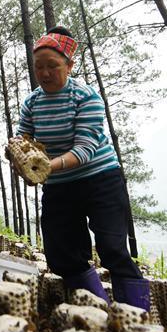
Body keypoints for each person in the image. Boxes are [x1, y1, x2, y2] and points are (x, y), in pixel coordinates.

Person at [12, 26, 149, 311]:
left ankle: (138, 317)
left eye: (53, 66)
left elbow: (84, 150)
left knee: (113, 249)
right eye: (39, 67)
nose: (46, 73)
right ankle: (95, 311)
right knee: (61, 252)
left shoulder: (86, 97)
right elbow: (23, 139)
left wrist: (47, 166)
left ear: (70, 65)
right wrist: (21, 162)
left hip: (100, 179)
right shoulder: (32, 103)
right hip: (59, 186)